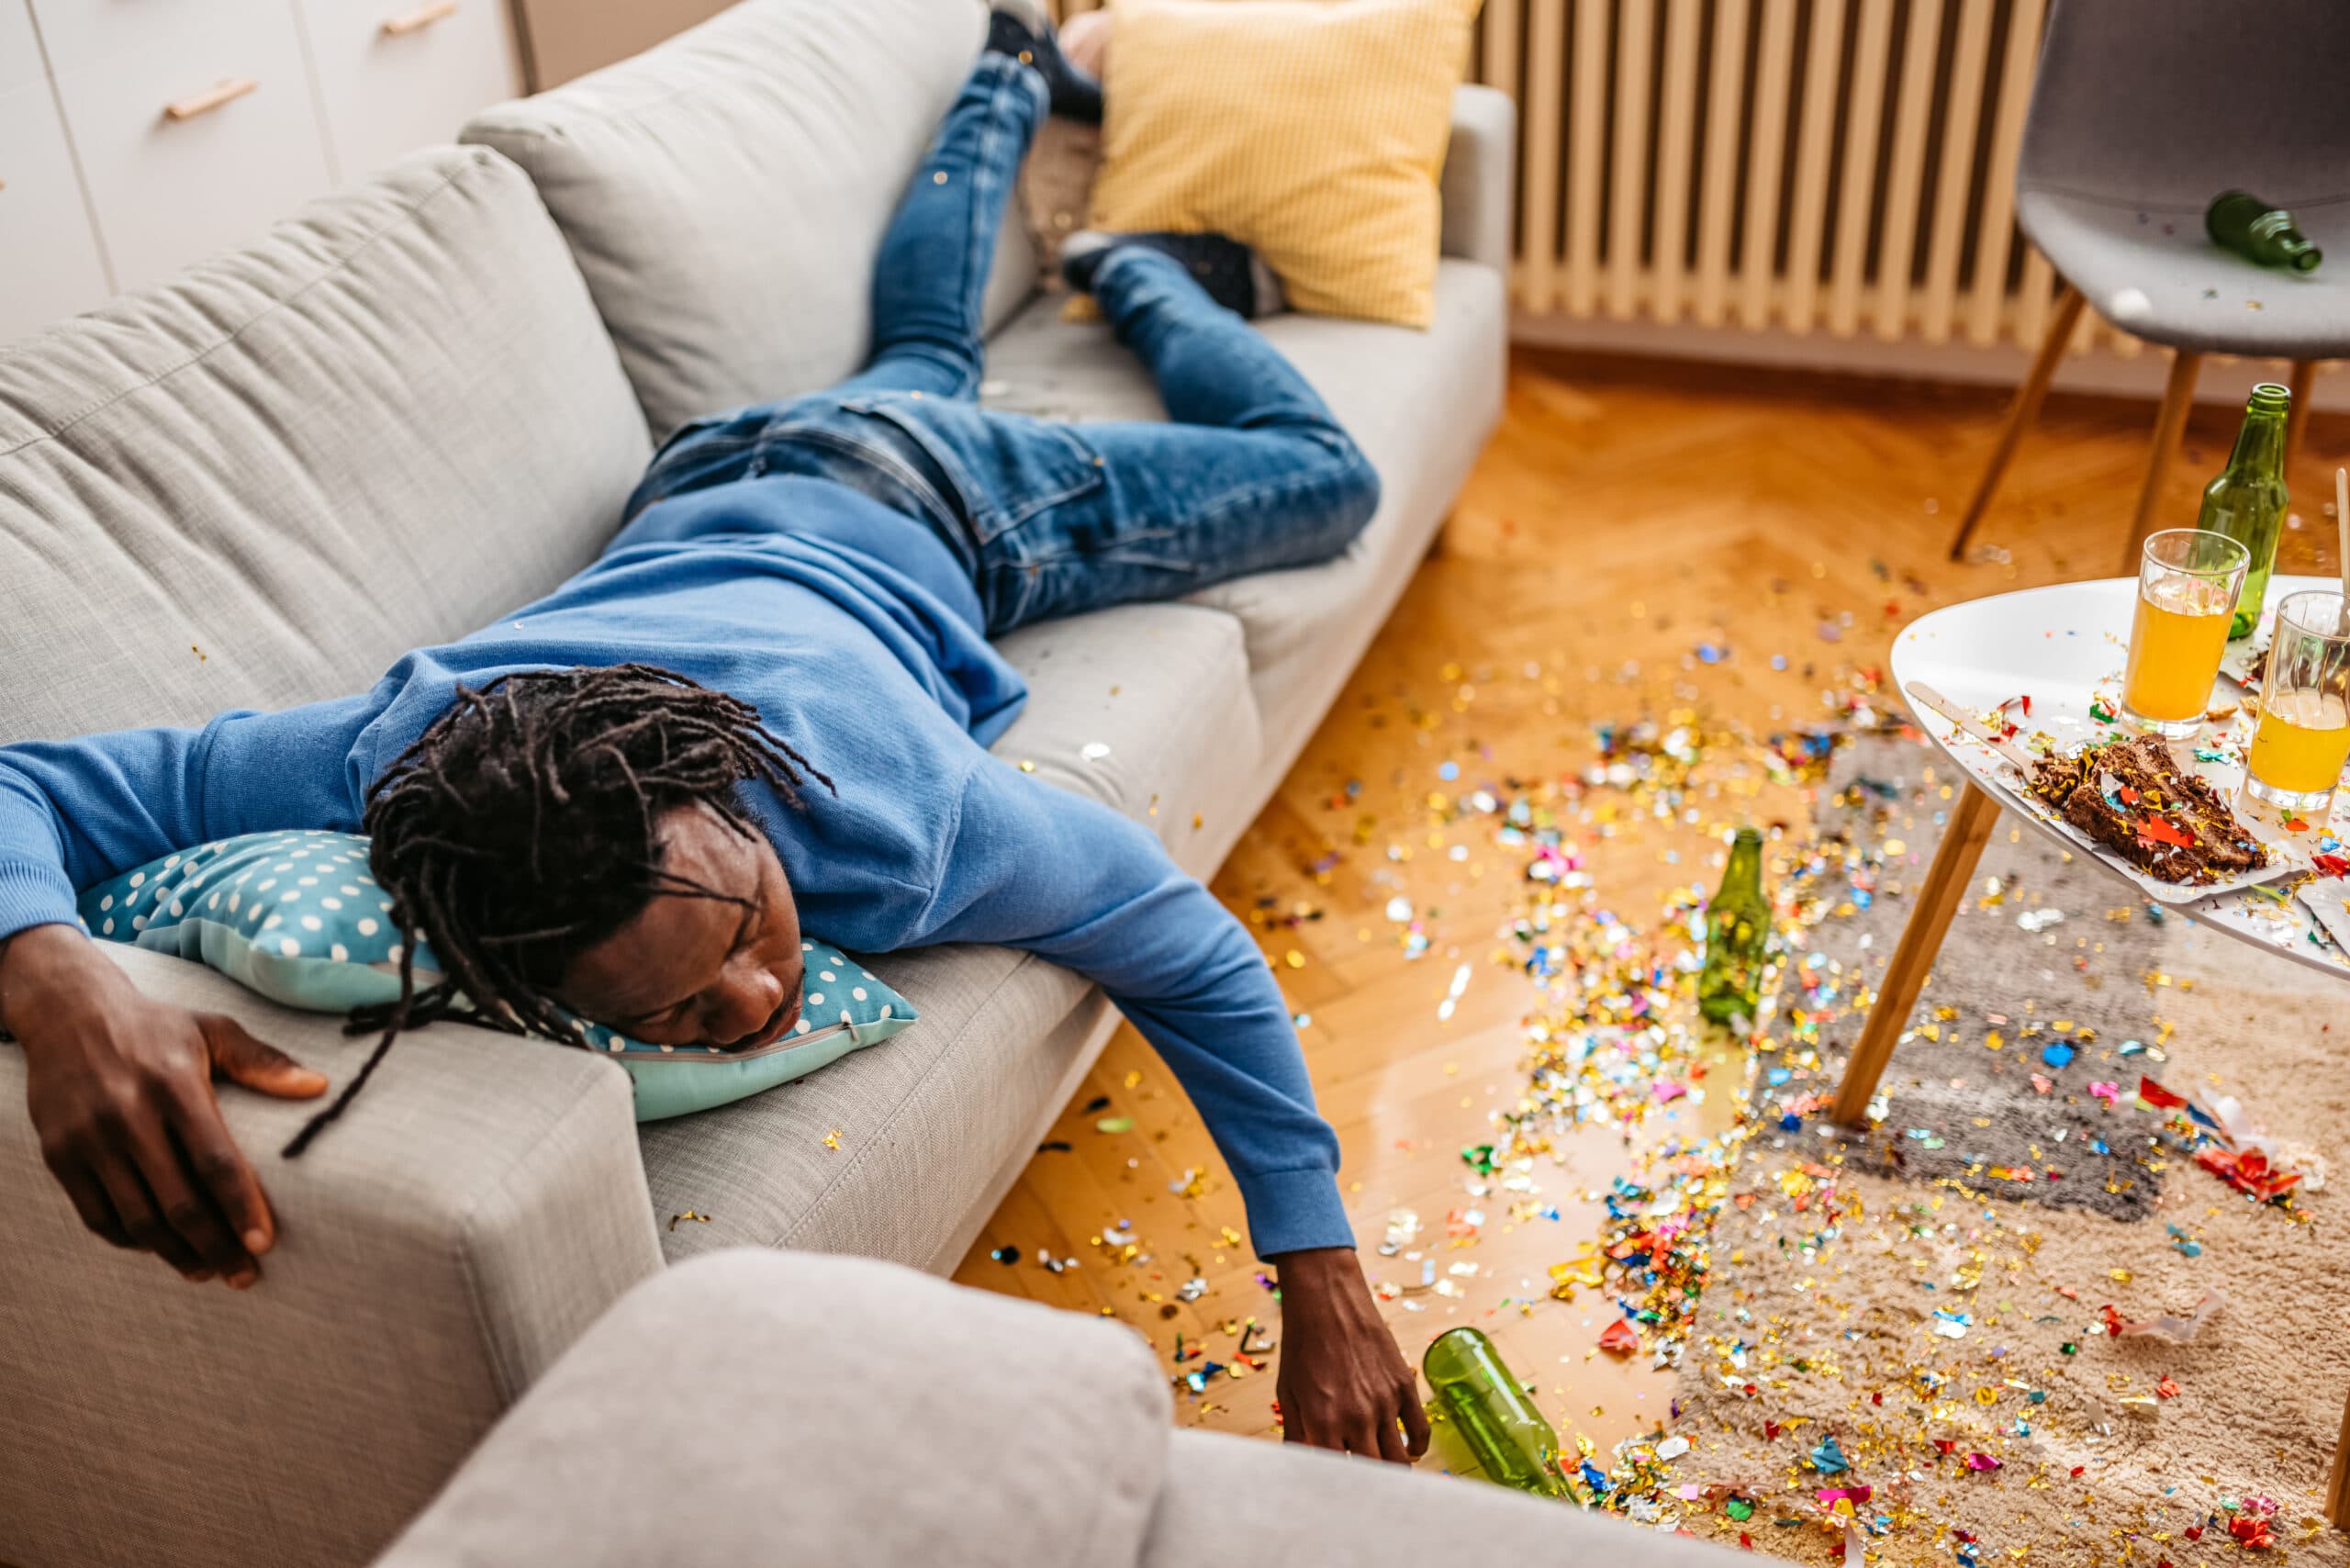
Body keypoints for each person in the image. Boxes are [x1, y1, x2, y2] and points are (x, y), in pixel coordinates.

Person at [0, 6, 1433, 1463]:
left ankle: (1137, 272)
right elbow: (28, 785)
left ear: (744, 807)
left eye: (746, 922)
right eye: (680, 1017)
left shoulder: (907, 814)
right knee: (923, 347)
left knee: (1319, 477)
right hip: (705, 469)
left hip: (929, 496)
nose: (758, 1001)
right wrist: (53, 976)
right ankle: (1008, 69)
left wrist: (1320, 1274)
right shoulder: (405, 750)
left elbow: (1186, 951)